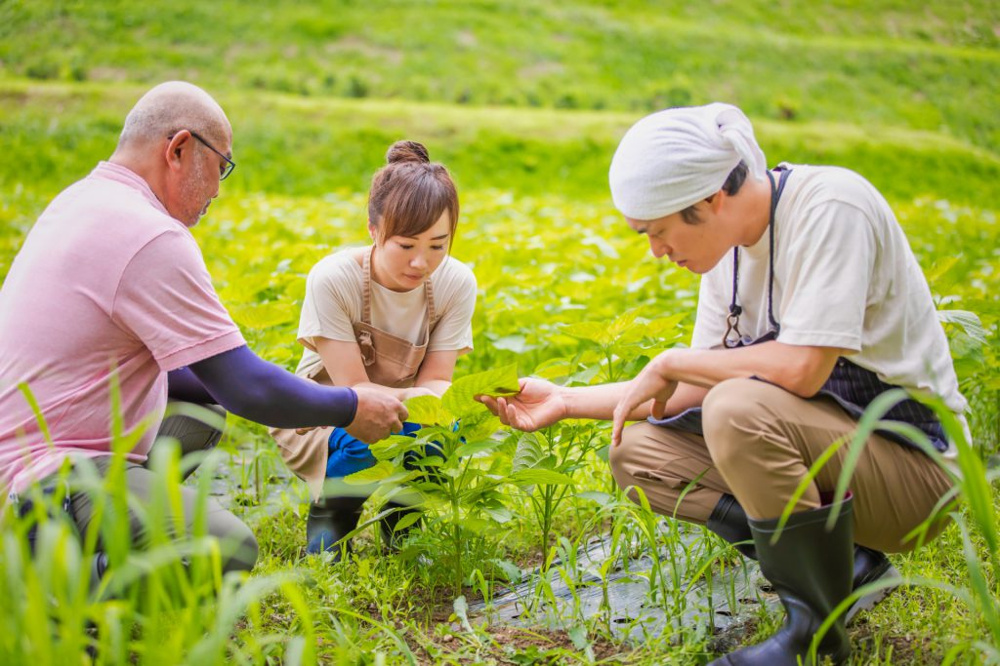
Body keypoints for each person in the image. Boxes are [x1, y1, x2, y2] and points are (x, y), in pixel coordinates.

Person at [479, 103, 966, 665]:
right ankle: (848, 569)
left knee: (737, 407)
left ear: (710, 199)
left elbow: (803, 368)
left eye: (657, 232)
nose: (656, 252)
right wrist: (565, 401)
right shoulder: (726, 256)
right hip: (840, 456)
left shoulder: (832, 206)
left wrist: (675, 362)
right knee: (638, 453)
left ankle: (814, 637)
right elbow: (689, 388)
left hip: (919, 471)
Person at [0, 81, 408, 582]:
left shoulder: (82, 200)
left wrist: (288, 396)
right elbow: (244, 385)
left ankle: (104, 529)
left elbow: (215, 381)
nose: (218, 189)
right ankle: (54, 574)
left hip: (25, 448)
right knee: (225, 548)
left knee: (202, 407)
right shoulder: (149, 234)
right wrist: (350, 406)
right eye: (221, 167)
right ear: (179, 149)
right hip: (45, 473)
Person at [271, 140, 477, 558]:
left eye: (438, 245)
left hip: (404, 415)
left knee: (444, 431)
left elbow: (438, 381)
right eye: (406, 245)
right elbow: (355, 394)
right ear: (373, 230)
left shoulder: (456, 283)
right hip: (330, 418)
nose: (422, 262)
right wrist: (421, 401)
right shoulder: (334, 279)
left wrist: (428, 408)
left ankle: (404, 522)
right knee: (366, 438)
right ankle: (334, 509)